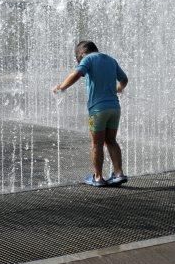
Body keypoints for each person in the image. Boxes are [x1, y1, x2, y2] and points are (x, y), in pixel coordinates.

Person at [53, 40, 129, 187]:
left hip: (97, 111)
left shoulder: (88, 59)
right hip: (114, 108)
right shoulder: (111, 60)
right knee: (111, 141)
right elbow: (124, 79)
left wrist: (61, 87)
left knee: (96, 144)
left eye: (79, 59)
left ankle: (98, 177)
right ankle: (119, 173)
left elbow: (76, 74)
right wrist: (119, 89)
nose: (80, 61)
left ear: (82, 53)